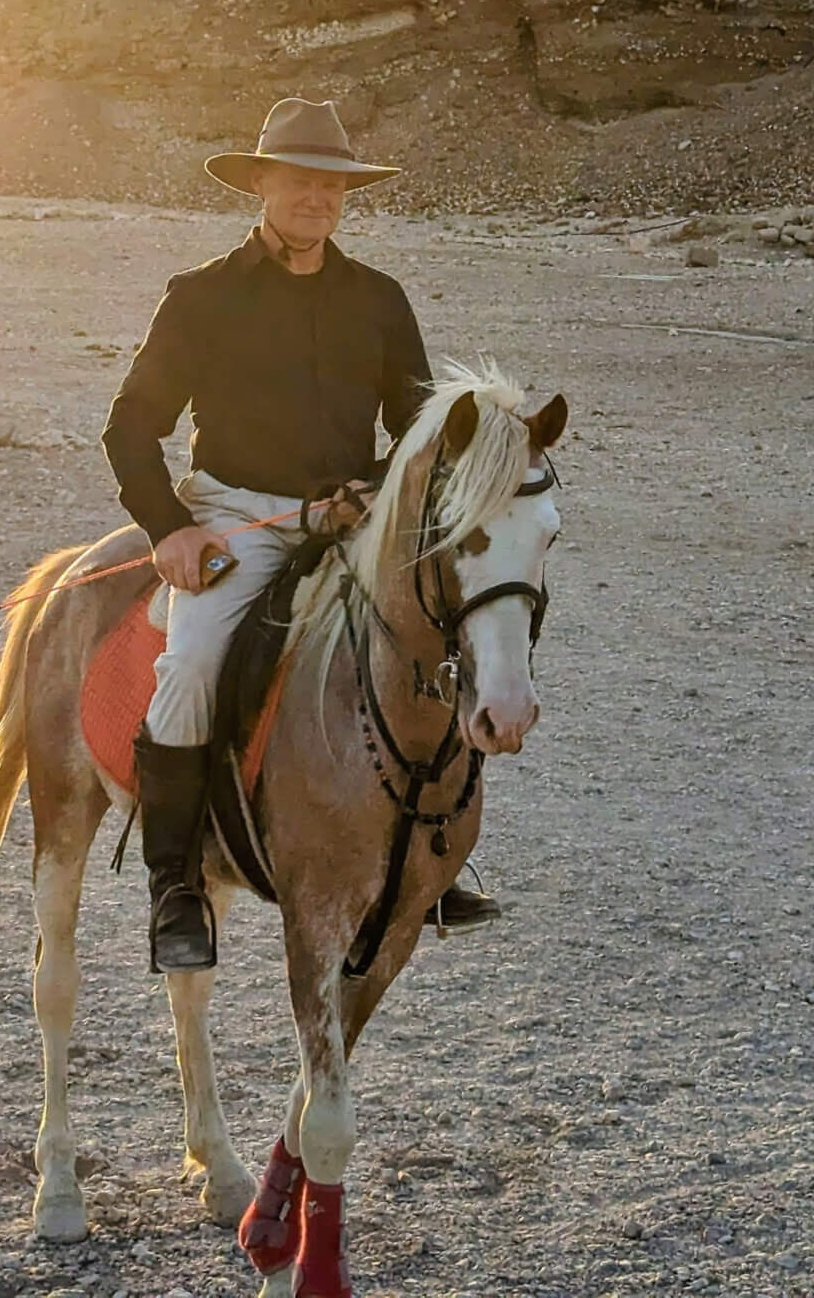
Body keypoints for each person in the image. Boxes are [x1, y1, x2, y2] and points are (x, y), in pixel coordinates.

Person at [101, 97, 496, 971]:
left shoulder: (379, 301)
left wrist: (381, 489)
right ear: (261, 184)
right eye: (300, 181)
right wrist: (169, 530)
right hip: (235, 521)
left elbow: (419, 430)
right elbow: (130, 428)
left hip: (348, 527)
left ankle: (425, 857)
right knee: (195, 662)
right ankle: (175, 886)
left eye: (333, 185)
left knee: (434, 640)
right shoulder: (201, 298)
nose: (317, 197)